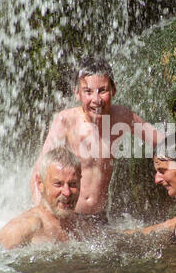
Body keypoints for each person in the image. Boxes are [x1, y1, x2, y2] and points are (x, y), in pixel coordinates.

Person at [30, 56, 162, 218]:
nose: (96, 100)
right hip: (70, 215)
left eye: (103, 90)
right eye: (88, 92)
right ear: (77, 93)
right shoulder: (66, 121)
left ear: (114, 90)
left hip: (100, 218)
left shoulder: (121, 117)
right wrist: (44, 215)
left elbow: (162, 141)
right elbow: (38, 173)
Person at [0, 147, 81, 253]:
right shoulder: (25, 227)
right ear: (40, 183)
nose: (67, 192)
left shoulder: (82, 225)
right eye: (58, 184)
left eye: (73, 184)